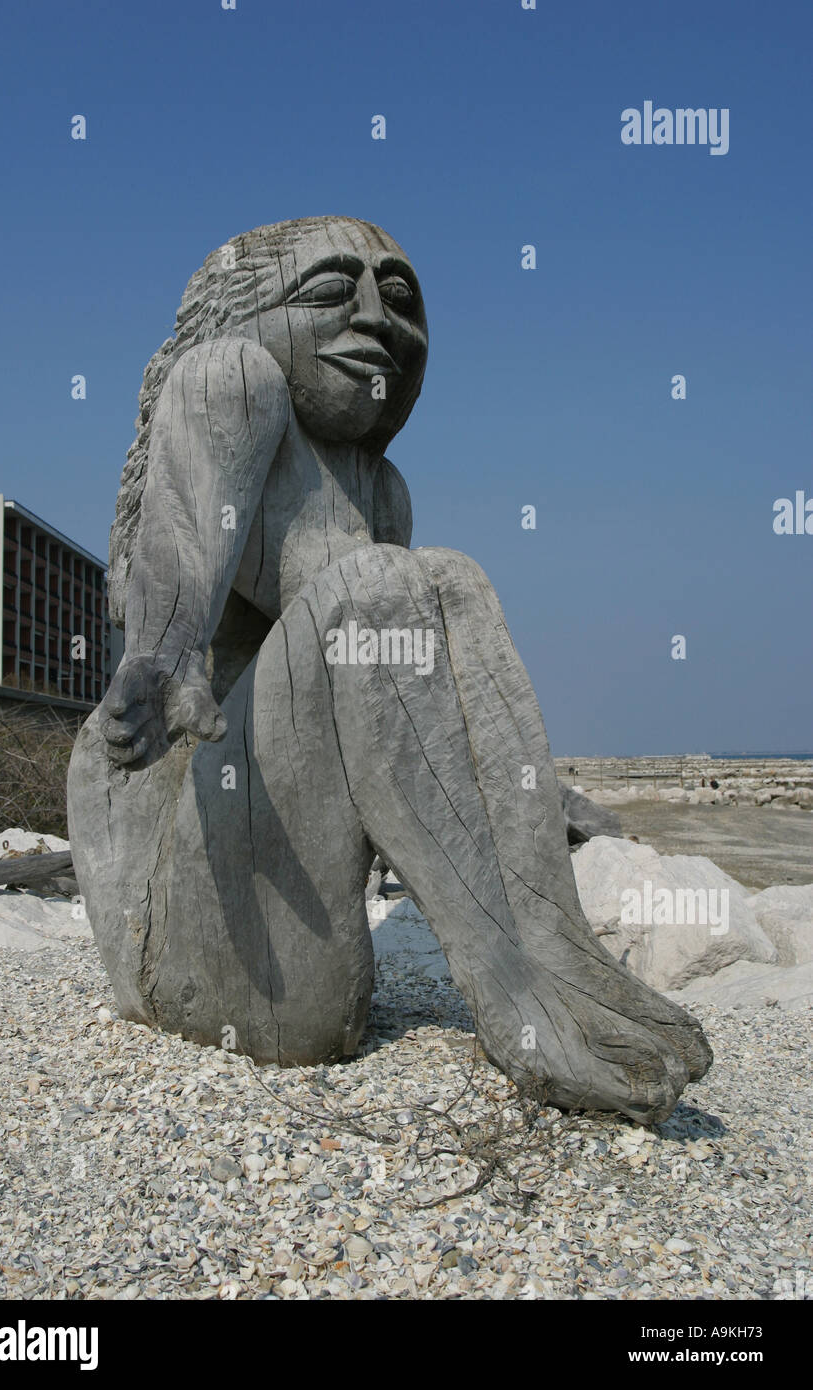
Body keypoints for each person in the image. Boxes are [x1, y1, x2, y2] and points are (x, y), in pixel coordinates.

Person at [67, 217, 710, 1122]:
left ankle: (557, 966)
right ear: (250, 312)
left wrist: (521, 792)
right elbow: (181, 562)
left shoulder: (379, 486)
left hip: (292, 928)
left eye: (399, 299)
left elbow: (401, 709)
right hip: (184, 902)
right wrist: (162, 655)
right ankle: (528, 995)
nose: (376, 317)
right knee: (382, 588)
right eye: (332, 291)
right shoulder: (228, 380)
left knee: (444, 576)